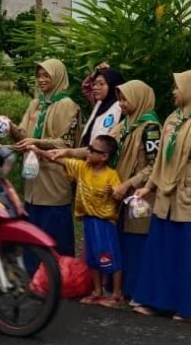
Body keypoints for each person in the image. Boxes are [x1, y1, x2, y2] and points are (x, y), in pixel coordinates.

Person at [49, 80, 162, 304]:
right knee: (115, 241)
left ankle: (133, 292)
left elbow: (154, 165)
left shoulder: (150, 129)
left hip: (138, 194)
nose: (121, 104)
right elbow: (98, 148)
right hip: (114, 192)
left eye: (125, 99)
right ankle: (113, 290)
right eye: (119, 99)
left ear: (139, 100)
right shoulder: (124, 125)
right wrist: (69, 151)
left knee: (135, 240)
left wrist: (128, 184)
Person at [131, 70, 191, 320]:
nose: (174, 91)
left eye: (178, 87)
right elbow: (163, 158)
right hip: (166, 193)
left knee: (190, 253)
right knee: (163, 249)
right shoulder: (174, 119)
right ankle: (159, 301)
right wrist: (150, 186)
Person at [10, 59, 82, 271]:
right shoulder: (36, 103)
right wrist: (10, 128)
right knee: (32, 229)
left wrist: (38, 142)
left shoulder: (68, 106)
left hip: (54, 177)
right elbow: (23, 135)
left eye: (46, 76)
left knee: (55, 230)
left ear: (58, 77)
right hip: (33, 179)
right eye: (39, 75)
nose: (41, 80)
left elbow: (68, 143)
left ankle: (61, 278)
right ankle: (35, 276)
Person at [38, 135, 124, 307]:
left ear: (104, 156)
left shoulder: (111, 175)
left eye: (92, 150)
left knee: (109, 257)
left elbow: (118, 196)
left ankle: (116, 294)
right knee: (92, 257)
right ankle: (98, 291)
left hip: (104, 223)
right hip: (89, 219)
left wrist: (112, 192)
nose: (88, 152)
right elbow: (60, 161)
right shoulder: (82, 168)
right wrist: (37, 150)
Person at [79, 63, 125, 148]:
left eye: (101, 84)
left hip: (99, 155)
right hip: (88, 153)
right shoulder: (100, 103)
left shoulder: (119, 107)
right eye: (95, 84)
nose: (95, 87)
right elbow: (86, 88)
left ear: (112, 86)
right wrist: (95, 73)